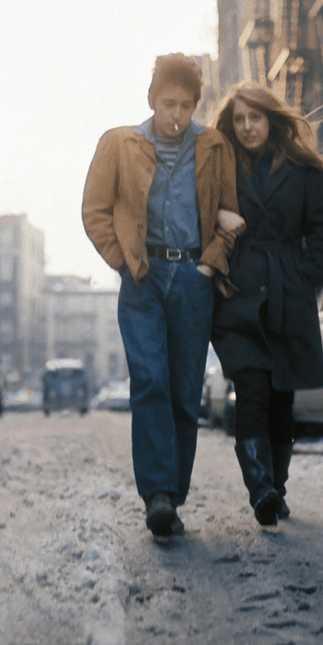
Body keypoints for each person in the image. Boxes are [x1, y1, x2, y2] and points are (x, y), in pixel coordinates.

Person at [82, 53, 241, 538]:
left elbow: (229, 217)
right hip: (143, 278)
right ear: (152, 100)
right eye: (168, 103)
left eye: (187, 105)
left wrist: (210, 262)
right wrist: (126, 262)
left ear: (197, 105)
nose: (176, 114)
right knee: (150, 378)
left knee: (185, 387)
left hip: (193, 277)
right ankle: (156, 495)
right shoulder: (118, 144)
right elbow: (94, 211)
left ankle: (174, 493)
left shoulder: (215, 146)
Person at [211, 83, 323, 525]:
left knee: (282, 396)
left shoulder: (304, 169)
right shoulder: (220, 169)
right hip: (239, 294)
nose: (247, 127)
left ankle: (277, 488)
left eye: (255, 118)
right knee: (250, 390)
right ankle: (260, 489)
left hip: (288, 291)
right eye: (239, 120)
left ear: (271, 120)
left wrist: (305, 279)